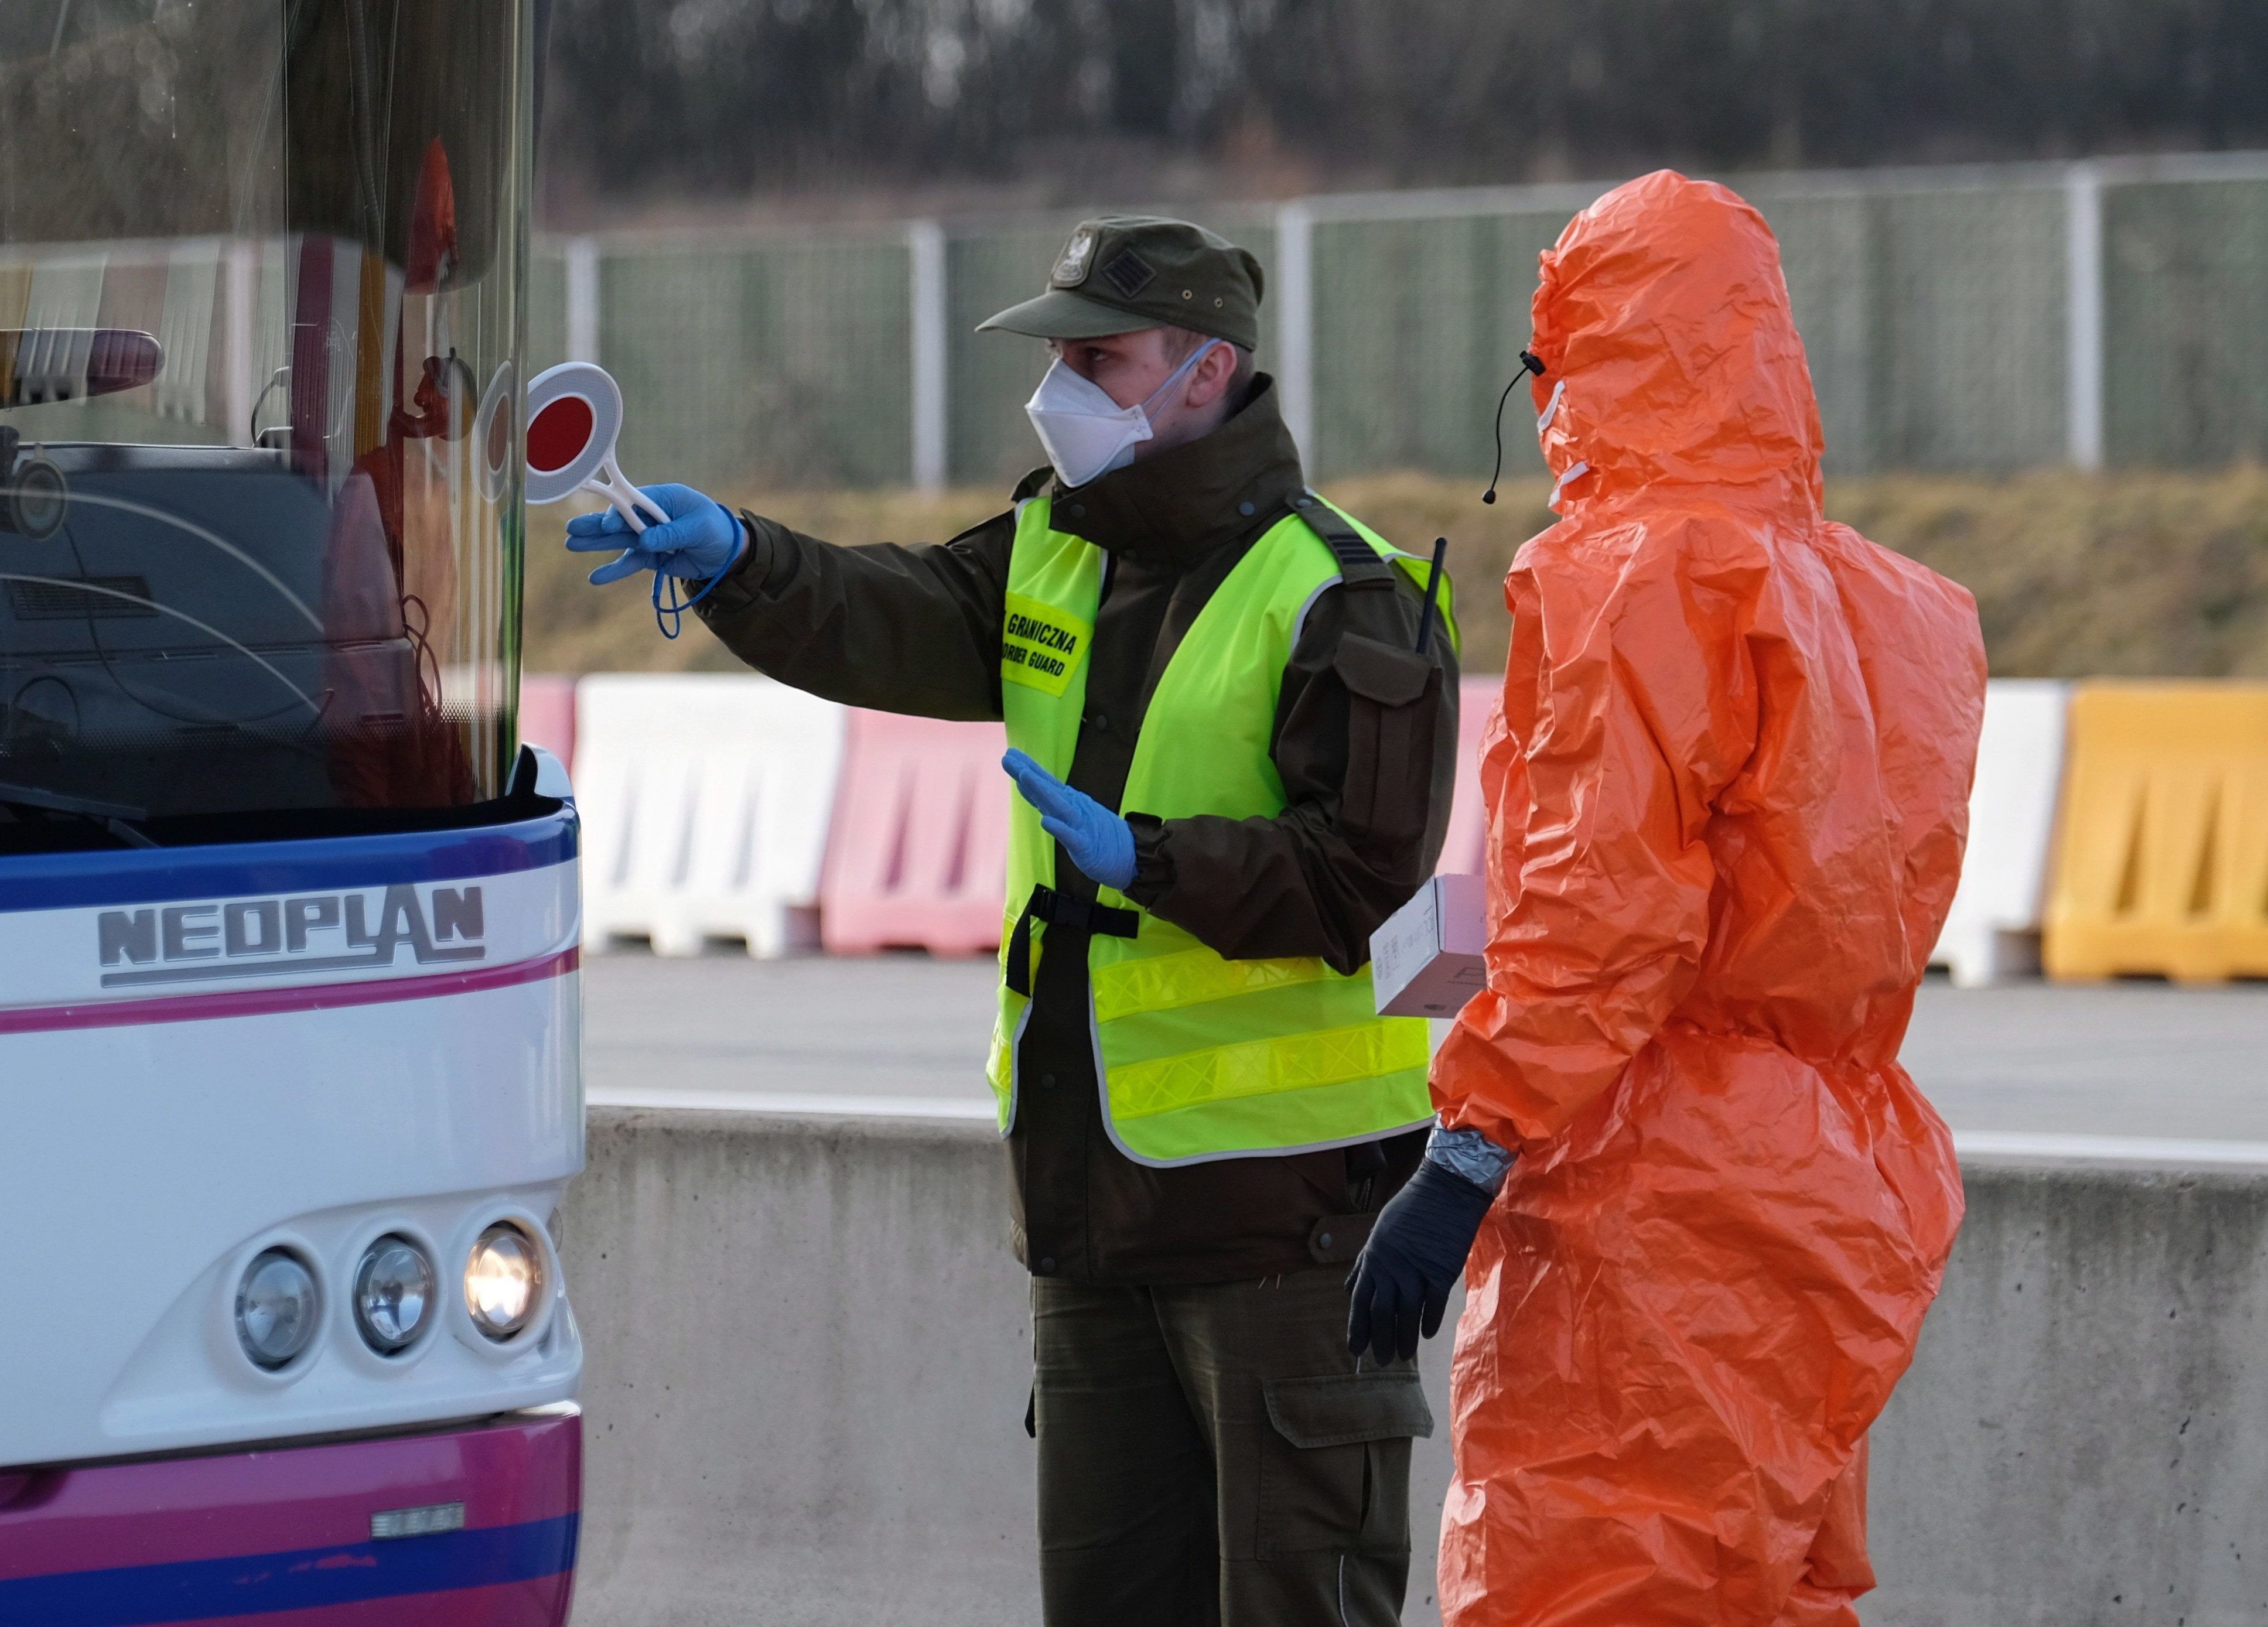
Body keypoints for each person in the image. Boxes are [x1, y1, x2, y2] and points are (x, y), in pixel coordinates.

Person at [568, 215, 1463, 1626]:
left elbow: (1360, 872)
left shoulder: (1341, 593)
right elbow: (899, 610)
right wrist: (741, 557)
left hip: (1282, 1230)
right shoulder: (1057, 544)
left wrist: (1153, 862)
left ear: (1205, 370)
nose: (1056, 389)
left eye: (1096, 358)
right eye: (1055, 355)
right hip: (1088, 1213)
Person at [1342, 171, 1984, 1625]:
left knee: (1588, 1578)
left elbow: (1598, 914)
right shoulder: (1906, 607)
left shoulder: (1630, 575)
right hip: (1841, 1171)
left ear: (1590, 351)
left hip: (1652, 1180)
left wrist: (1467, 1149)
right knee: (1771, 1585)